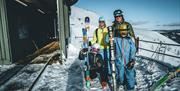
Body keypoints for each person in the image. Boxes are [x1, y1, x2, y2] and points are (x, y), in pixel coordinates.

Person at [105, 9, 137, 90]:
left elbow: (132, 36)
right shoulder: (114, 26)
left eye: (119, 16)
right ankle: (121, 81)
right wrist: (109, 35)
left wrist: (134, 51)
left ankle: (131, 84)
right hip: (117, 49)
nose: (118, 18)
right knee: (120, 70)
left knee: (130, 71)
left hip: (127, 50)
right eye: (116, 17)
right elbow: (108, 39)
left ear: (122, 16)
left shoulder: (127, 25)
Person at [89, 16, 110, 89]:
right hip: (100, 49)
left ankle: (108, 75)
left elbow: (110, 39)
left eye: (102, 22)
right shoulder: (96, 31)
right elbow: (94, 40)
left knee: (108, 63)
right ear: (99, 23)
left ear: (104, 22)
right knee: (101, 64)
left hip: (107, 49)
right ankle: (104, 80)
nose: (101, 23)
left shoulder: (108, 30)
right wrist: (89, 43)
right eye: (100, 22)